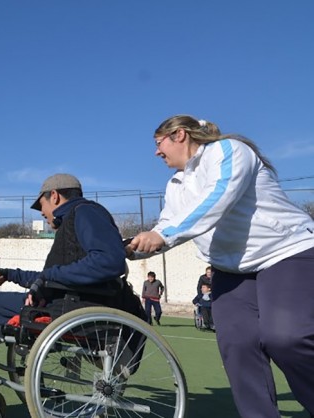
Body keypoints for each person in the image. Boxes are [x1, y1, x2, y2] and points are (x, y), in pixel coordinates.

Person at [127, 114, 314, 418]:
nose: (156, 152)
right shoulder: (175, 184)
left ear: (180, 135)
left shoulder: (229, 151)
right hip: (231, 270)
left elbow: (217, 198)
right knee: (237, 345)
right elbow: (167, 225)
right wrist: (132, 248)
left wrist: (163, 234)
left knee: (286, 337)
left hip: (285, 251)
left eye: (159, 142)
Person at [0, 174, 143, 418]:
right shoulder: (75, 221)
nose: (41, 212)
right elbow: (50, 277)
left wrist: (48, 278)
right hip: (65, 304)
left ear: (54, 196)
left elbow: (109, 261)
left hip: (68, 310)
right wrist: (12, 274)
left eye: (41, 205)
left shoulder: (86, 213)